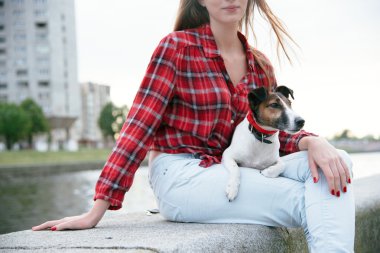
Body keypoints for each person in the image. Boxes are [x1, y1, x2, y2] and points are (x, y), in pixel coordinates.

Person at [33, 0, 355, 252]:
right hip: (180, 174)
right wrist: (97, 209)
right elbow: (139, 125)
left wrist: (313, 142)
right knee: (305, 199)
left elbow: (265, 135)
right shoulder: (177, 48)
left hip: (235, 169)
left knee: (338, 163)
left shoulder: (260, 66)